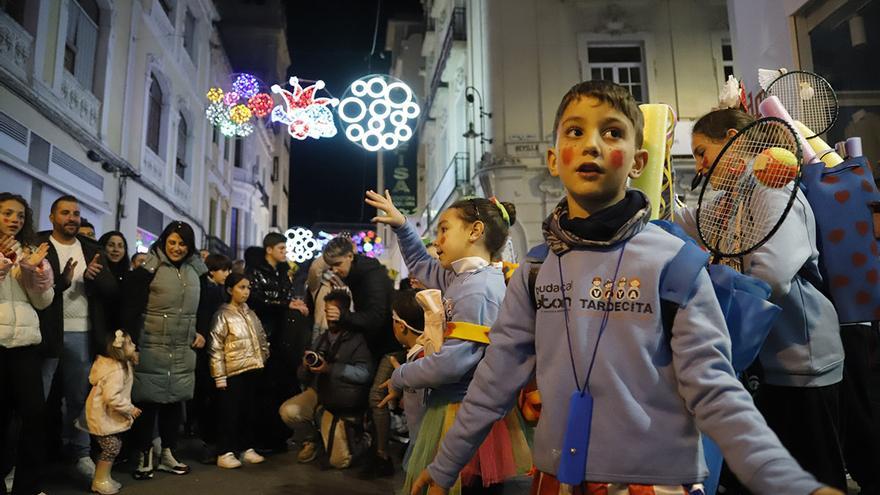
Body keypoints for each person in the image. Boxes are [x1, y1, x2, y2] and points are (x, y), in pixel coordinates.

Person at [408, 81, 842, 495]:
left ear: (638, 161)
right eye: (575, 131)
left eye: (612, 132)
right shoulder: (536, 269)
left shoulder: (676, 262)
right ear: (554, 158)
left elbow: (715, 390)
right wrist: (446, 464)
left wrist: (787, 481)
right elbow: (494, 378)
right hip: (556, 479)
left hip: (655, 483)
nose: (592, 144)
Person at [680, 107, 848, 490]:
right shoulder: (736, 194)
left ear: (733, 141)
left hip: (800, 362)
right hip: (766, 366)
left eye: (702, 151)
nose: (700, 166)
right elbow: (693, 221)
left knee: (809, 475)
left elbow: (772, 277)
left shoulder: (771, 185)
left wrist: (715, 304)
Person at [366, 190, 531, 494]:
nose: (437, 240)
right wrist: (403, 225)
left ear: (475, 231)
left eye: (444, 229)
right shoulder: (464, 279)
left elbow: (451, 364)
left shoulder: (477, 289)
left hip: (462, 410)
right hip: (458, 407)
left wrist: (401, 375)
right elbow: (420, 263)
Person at [37, 194, 117, 480]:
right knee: (37, 398)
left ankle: (80, 454)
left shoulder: (91, 249)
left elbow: (110, 291)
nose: (72, 218)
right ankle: (25, 459)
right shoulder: (39, 244)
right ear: (52, 217)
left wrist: (97, 276)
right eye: (65, 213)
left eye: (76, 213)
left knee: (78, 398)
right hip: (47, 332)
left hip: (82, 332)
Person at [122, 221, 206, 480]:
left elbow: (207, 303)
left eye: (182, 243)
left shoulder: (195, 270)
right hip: (151, 345)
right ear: (163, 242)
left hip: (182, 347)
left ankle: (169, 453)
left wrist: (201, 330)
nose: (177, 248)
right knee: (147, 401)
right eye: (172, 242)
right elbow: (131, 305)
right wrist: (129, 342)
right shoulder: (149, 267)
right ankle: (144, 454)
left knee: (174, 402)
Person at [279, 289, 374, 469]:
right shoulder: (322, 338)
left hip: (341, 401)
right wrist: (306, 367)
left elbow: (364, 374)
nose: (329, 317)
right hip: (321, 393)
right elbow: (303, 376)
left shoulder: (357, 340)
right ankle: (312, 440)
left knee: (339, 461)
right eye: (326, 311)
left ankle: (363, 439)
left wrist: (330, 369)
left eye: (333, 312)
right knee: (289, 411)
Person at [0, 193, 53, 495]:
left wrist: (34, 273)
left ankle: (27, 486)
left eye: (20, 215)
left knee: (34, 417)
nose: (14, 220)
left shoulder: (29, 252)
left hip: (25, 345)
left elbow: (43, 302)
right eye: (7, 213)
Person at [246, 233, 306, 453]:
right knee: (265, 389)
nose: (284, 252)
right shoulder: (255, 273)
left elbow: (286, 297)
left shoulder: (283, 273)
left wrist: (292, 303)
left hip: (283, 339)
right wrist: (285, 304)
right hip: (265, 336)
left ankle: (279, 436)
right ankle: (262, 438)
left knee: (282, 387)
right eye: (281, 248)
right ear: (269, 250)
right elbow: (257, 300)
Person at [360, 289, 427, 479]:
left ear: (400, 326)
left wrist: (401, 377)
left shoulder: (421, 360)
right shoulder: (424, 354)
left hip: (427, 442)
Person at [209, 272, 270, 469]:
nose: (246, 292)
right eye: (241, 287)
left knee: (248, 411)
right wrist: (219, 375)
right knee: (229, 412)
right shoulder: (222, 315)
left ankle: (246, 447)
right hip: (233, 372)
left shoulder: (250, 313)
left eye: (248, 288)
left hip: (253, 368)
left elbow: (261, 337)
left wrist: (263, 356)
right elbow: (215, 347)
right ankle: (225, 450)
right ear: (229, 290)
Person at [84, 330, 141, 495]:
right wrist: (130, 409)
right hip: (101, 416)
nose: (135, 345)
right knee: (112, 447)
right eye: (130, 344)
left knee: (113, 446)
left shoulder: (120, 365)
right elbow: (112, 397)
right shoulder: (115, 371)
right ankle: (99, 480)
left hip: (105, 416)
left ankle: (104, 478)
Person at [321, 237, 396, 360]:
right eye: (331, 267)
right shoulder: (358, 273)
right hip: (377, 343)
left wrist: (343, 316)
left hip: (385, 346)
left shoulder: (371, 275)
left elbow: (376, 317)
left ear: (350, 256)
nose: (335, 270)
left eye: (338, 264)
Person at [190, 253, 232, 462]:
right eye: (223, 270)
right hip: (204, 347)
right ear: (212, 270)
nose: (227, 274)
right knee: (206, 395)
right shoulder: (205, 289)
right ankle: (207, 441)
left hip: (215, 348)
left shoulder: (220, 290)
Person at [97, 231, 130, 332]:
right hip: (99, 328)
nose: (116, 250)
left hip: (121, 330)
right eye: (111, 245)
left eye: (120, 246)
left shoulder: (129, 276)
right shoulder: (95, 272)